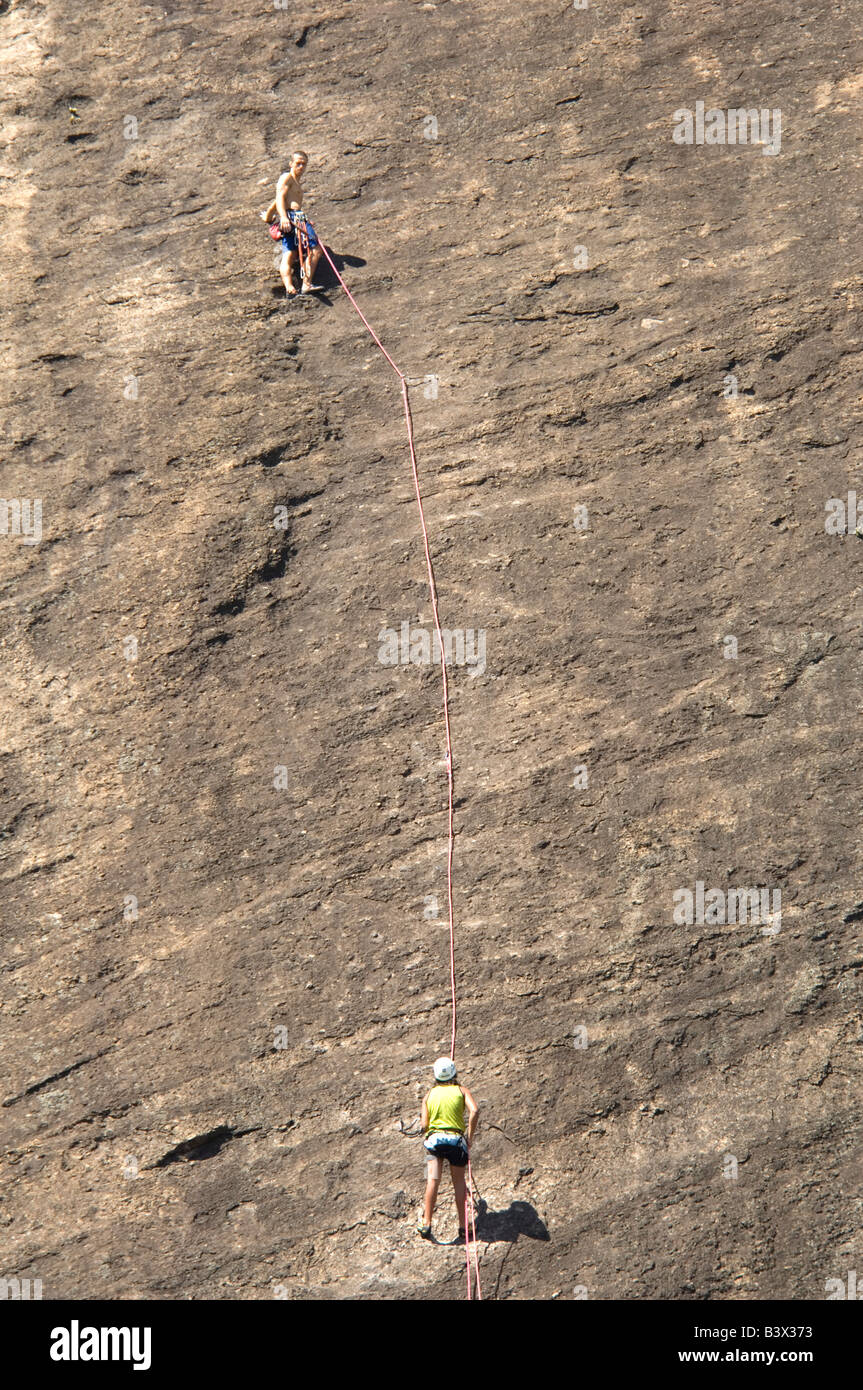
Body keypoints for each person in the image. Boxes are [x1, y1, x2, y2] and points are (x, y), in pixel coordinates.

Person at [417, 1057, 479, 1242]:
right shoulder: (461, 1091)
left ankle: (426, 1223)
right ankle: (463, 1226)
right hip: (456, 1142)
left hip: (434, 1143)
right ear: (453, 1073)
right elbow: (474, 1110)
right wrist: (469, 1137)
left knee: (432, 1181)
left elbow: (424, 1124)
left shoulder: (429, 1095)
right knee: (458, 1182)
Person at [262, 151, 324, 297]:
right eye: (298, 163)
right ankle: (306, 284)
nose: (301, 166)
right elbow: (279, 197)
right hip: (293, 218)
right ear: (291, 164)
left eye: (304, 164)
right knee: (316, 250)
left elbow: (276, 202)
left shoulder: (295, 183)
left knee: (290, 253)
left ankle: (289, 287)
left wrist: (269, 216)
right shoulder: (286, 177)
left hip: (294, 218)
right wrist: (283, 216)